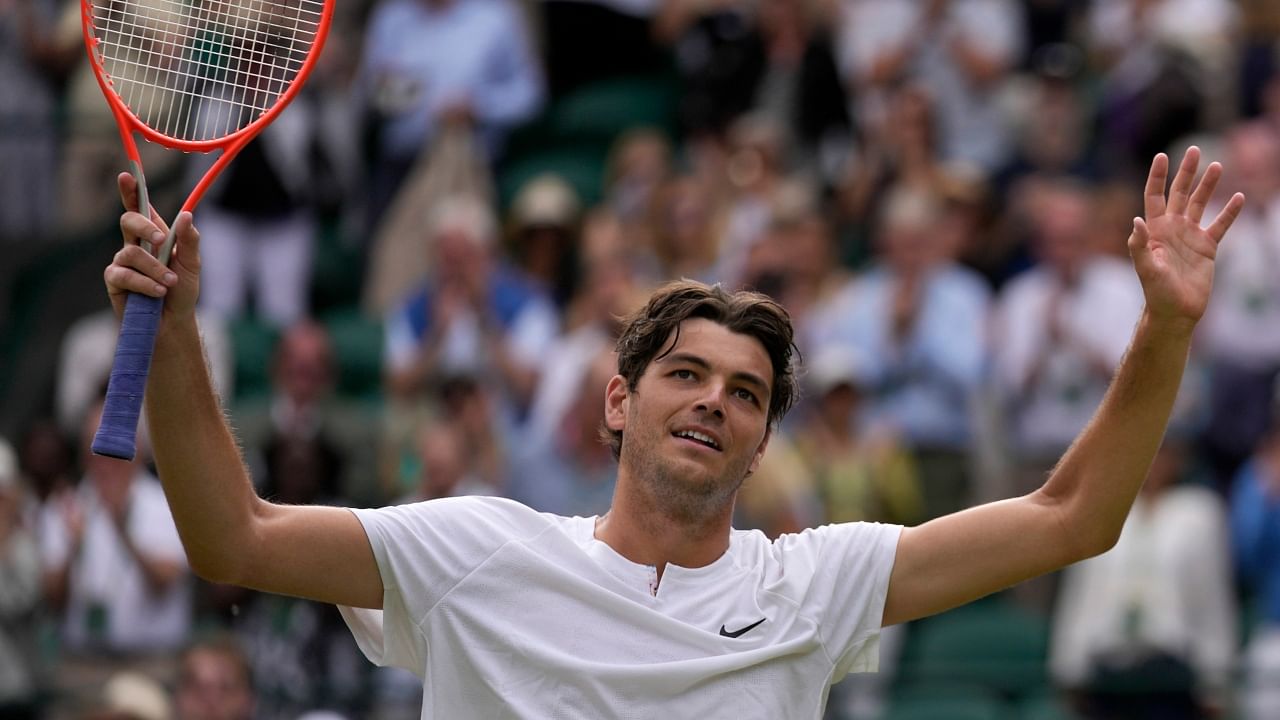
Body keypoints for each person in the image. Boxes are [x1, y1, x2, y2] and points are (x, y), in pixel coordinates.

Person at [100, 147, 1243, 716]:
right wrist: (178, 327)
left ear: (759, 447)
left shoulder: (813, 582)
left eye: (745, 394)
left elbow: (1072, 516)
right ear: (617, 403)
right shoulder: (474, 551)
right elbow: (232, 539)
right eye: (684, 374)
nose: (712, 400)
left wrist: (1161, 326)